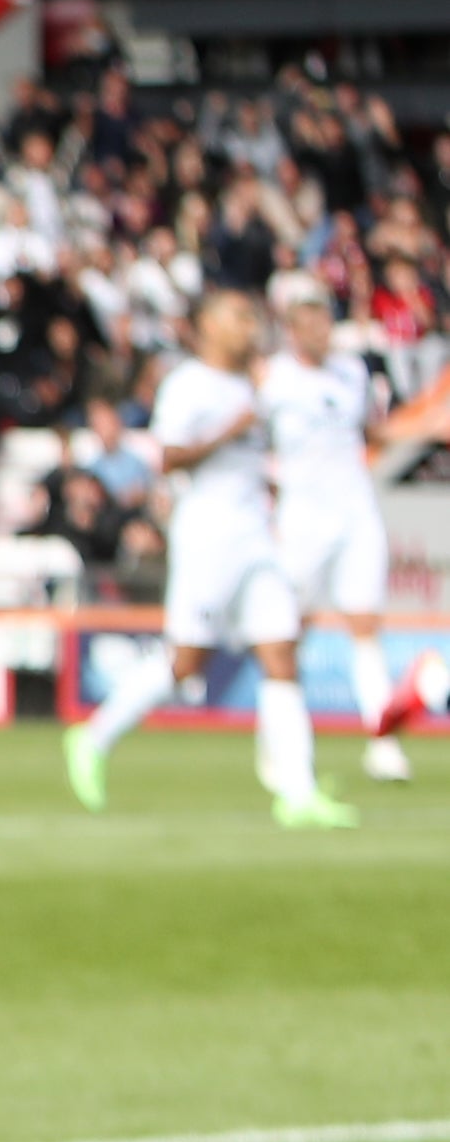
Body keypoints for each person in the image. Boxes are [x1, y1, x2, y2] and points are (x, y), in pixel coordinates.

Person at [63, 290, 353, 827]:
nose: (250, 326)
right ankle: (94, 735)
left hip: (256, 537)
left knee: (281, 652)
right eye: (238, 316)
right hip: (209, 536)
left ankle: (298, 791)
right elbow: (169, 455)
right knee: (186, 661)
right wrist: (234, 426)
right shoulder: (191, 384)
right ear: (208, 326)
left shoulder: (257, 382)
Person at [263, 270, 423, 783]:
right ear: (291, 330)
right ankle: (279, 743)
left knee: (365, 627)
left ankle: (383, 743)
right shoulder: (274, 380)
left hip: (355, 513)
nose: (320, 333)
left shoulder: (351, 372)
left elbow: (372, 431)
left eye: (324, 322)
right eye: (309, 324)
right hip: (303, 520)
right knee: (289, 633)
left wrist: (423, 427)